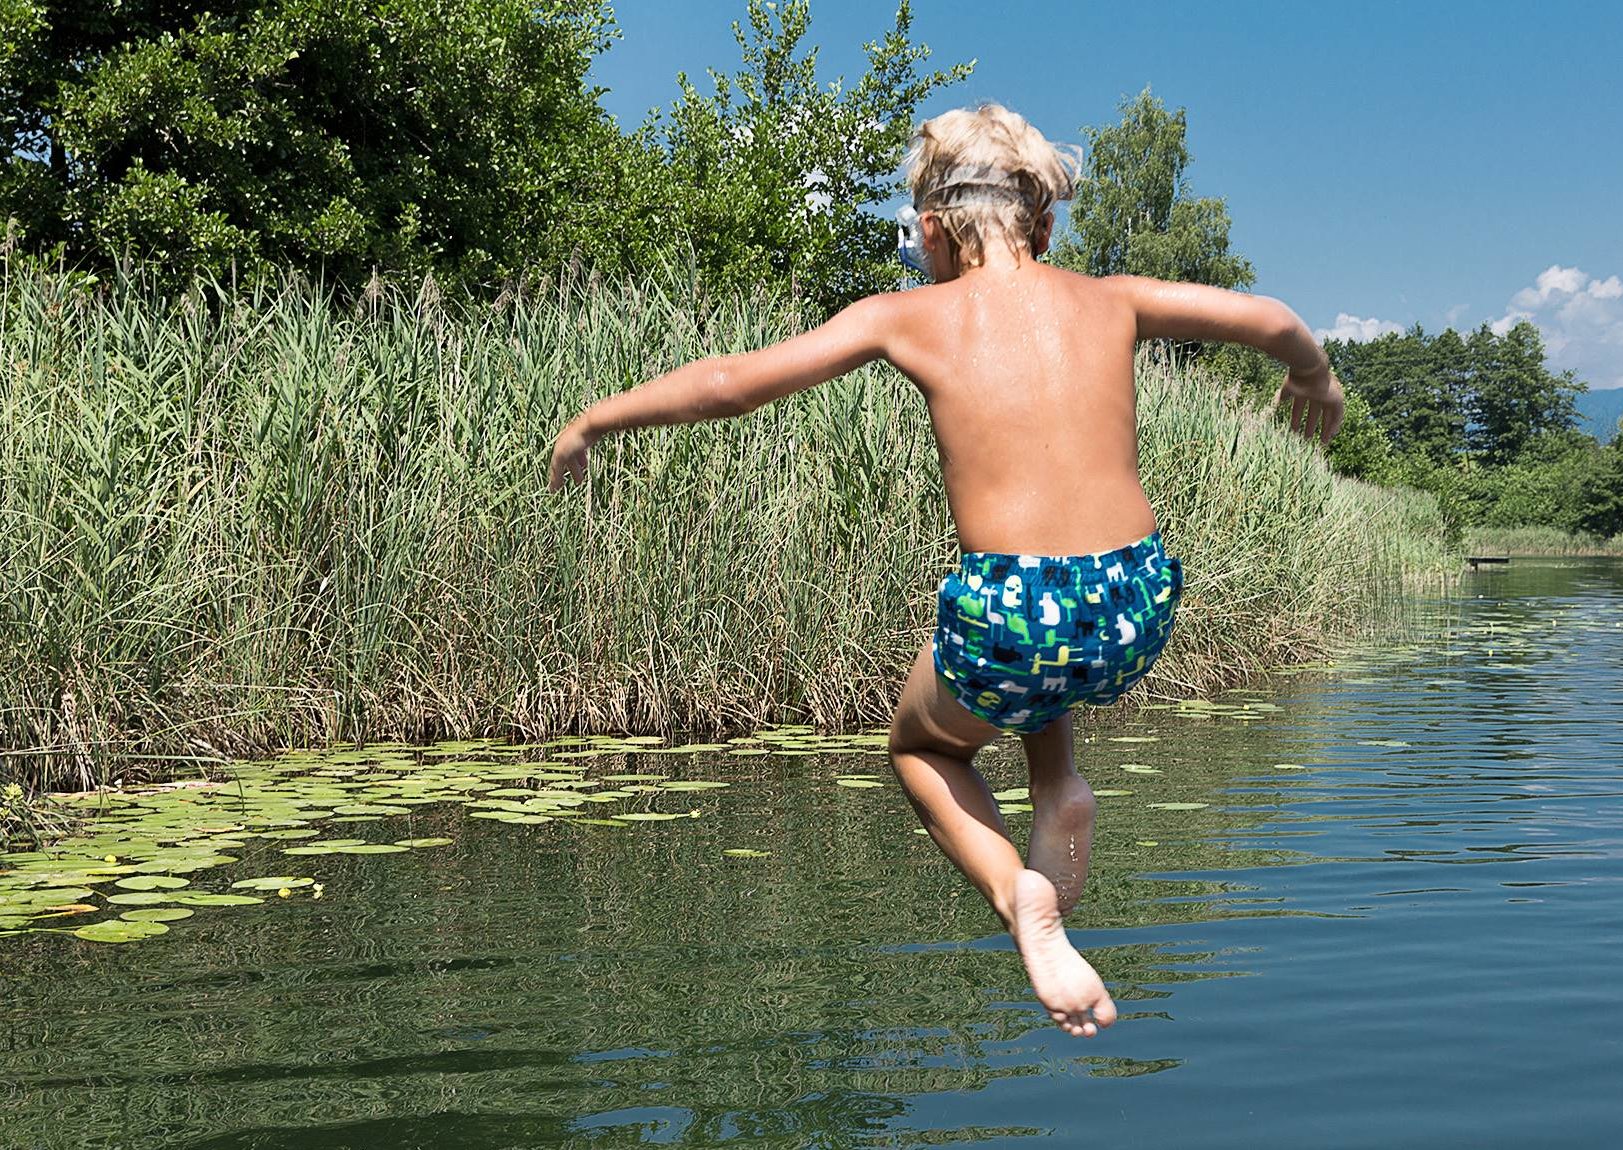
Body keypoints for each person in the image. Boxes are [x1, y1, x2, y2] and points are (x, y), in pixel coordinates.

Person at [547, 104, 1343, 1037]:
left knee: (923, 747)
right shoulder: (1115, 297)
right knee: (1052, 654)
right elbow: (1273, 318)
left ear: (932, 229)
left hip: (1013, 610)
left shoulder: (907, 315)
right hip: (1136, 599)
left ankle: (1021, 900)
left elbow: (733, 383)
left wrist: (594, 420)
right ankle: (1059, 786)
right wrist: (1312, 381)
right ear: (1044, 226)